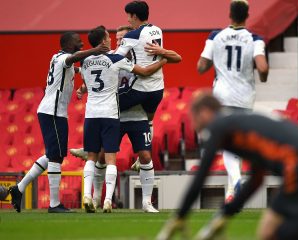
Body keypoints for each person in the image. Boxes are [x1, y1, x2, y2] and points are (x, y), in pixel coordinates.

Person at [156, 93, 298, 240]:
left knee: (269, 233)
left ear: (205, 112)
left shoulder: (221, 124)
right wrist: (226, 213)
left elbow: (201, 175)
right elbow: (256, 180)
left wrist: (180, 215)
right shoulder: (243, 125)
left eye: (194, 118)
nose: (195, 126)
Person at [8, 32, 109, 213]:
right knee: (55, 156)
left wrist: (87, 70)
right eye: (78, 41)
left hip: (55, 113)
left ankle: (19, 188)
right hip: (52, 112)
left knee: (53, 155)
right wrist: (96, 50)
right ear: (69, 44)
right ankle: (54, 204)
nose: (81, 42)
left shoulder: (57, 57)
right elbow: (73, 59)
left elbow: (74, 67)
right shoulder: (64, 58)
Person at [80, 26, 168, 213]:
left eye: (123, 39)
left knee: (145, 156)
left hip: (137, 115)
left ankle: (146, 203)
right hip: (115, 115)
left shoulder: (139, 58)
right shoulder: (112, 57)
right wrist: (83, 88)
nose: (120, 42)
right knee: (103, 157)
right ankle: (96, 197)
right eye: (117, 39)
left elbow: (148, 78)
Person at [196, 0, 269, 202]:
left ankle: (235, 183)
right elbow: (262, 68)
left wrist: (215, 62)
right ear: (247, 15)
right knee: (235, 141)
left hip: (221, 95)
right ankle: (233, 187)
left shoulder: (215, 36)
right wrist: (262, 78)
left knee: (227, 142)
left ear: (230, 14)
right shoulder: (255, 39)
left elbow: (201, 66)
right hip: (244, 96)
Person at [115, 0, 182, 138]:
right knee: (149, 121)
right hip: (158, 88)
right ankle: (146, 157)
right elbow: (173, 57)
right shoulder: (157, 30)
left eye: (128, 16)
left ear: (134, 16)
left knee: (106, 105)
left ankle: (92, 149)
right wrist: (163, 56)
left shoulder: (132, 35)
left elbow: (115, 58)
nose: (128, 20)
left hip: (140, 88)